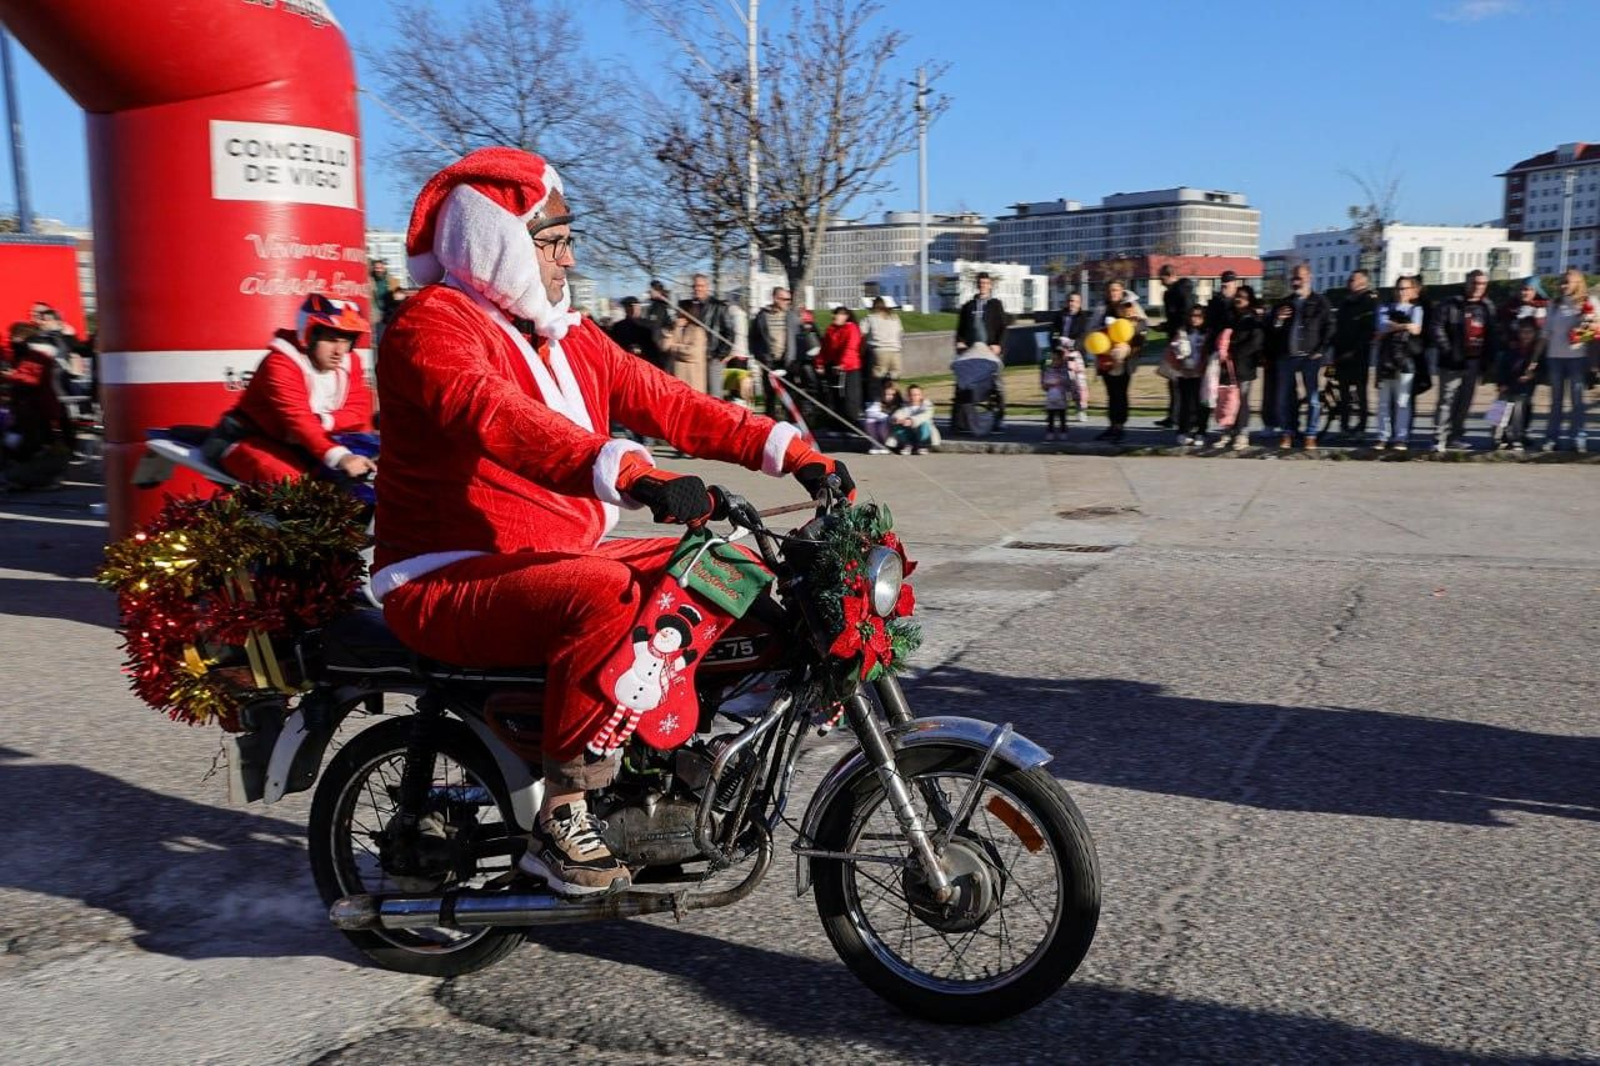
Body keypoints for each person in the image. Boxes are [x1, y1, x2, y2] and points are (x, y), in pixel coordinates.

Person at [372, 148, 851, 896]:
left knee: (720, 568)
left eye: (567, 239)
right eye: (553, 239)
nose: (568, 257)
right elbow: (497, 418)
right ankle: (562, 815)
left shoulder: (565, 334)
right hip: (444, 574)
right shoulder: (431, 327)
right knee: (605, 597)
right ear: (496, 239)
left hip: (551, 554)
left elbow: (672, 402)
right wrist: (633, 475)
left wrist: (791, 450)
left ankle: (691, 750)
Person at [205, 294, 375, 483]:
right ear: (309, 335)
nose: (339, 350)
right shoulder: (280, 364)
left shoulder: (352, 361)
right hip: (246, 438)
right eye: (331, 339)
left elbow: (358, 413)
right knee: (297, 490)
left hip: (305, 444)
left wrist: (322, 421)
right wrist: (341, 457)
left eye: (346, 340)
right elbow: (299, 421)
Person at [1268, 262, 1334, 452]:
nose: (1296, 282)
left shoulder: (1320, 302)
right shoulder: (1284, 303)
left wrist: (1321, 349)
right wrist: (1278, 319)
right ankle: (1288, 432)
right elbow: (1272, 330)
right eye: (1294, 278)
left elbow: (1330, 327)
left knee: (1313, 397)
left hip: (1310, 357)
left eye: (1300, 278)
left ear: (1309, 278)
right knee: (1284, 398)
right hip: (1287, 356)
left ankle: (1311, 434)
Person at [1431, 268, 1498, 452]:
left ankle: (1456, 435)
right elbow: (1437, 327)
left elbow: (1492, 335)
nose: (1478, 287)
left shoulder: (1488, 307)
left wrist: (1489, 361)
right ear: (1466, 283)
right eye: (1475, 283)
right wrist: (1448, 350)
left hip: (1474, 361)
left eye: (1482, 283)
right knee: (1447, 399)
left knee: (1465, 402)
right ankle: (1439, 437)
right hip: (1452, 361)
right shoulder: (1450, 304)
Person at [1540, 266, 1595, 452]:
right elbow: (1546, 332)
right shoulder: (1554, 304)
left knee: (1577, 400)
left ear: (1577, 283)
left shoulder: (1588, 302)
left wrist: (1582, 332)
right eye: (1562, 282)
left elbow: (1595, 330)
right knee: (1556, 400)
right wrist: (1535, 357)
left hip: (1577, 358)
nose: (1563, 285)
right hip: (1554, 357)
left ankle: (1578, 437)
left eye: (1567, 282)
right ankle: (1552, 437)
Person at [1372, 274, 1424, 453]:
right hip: (1386, 359)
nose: (1401, 292)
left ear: (1412, 291)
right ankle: (1382, 436)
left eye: (1405, 288)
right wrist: (1403, 326)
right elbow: (1381, 326)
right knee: (1384, 402)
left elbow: (1416, 329)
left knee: (1403, 401)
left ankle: (1401, 437)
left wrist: (1393, 326)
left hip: (1405, 360)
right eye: (1399, 288)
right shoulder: (1385, 307)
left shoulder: (1416, 309)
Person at [1330, 269, 1378, 439]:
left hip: (1358, 354)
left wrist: (1356, 350)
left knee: (1361, 391)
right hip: (1341, 353)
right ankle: (1344, 427)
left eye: (1353, 279)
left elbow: (1368, 329)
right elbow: (1337, 327)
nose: (1349, 281)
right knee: (1342, 392)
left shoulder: (1369, 301)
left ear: (1363, 281)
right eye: (1349, 278)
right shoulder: (1345, 301)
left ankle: (1361, 428)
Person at [1094, 301, 1146, 442]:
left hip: (1125, 364)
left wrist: (1127, 349)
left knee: (1121, 394)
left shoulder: (1137, 321)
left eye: (1129, 308)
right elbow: (1098, 335)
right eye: (1123, 308)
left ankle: (1120, 427)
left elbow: (1140, 339)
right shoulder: (1108, 318)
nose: (1126, 311)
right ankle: (1112, 426)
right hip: (1108, 363)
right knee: (1111, 395)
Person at [1218, 286, 1263, 450]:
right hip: (1227, 366)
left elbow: (1256, 342)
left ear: (1249, 300)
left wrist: (1235, 352)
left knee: (1243, 401)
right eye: (1237, 296)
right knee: (1227, 400)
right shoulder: (1229, 316)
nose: (1239, 299)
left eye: (1243, 297)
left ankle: (1242, 434)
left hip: (1245, 366)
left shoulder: (1253, 319)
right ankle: (1227, 431)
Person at [750, 287, 802, 419]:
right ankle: (770, 427)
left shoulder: (791, 316)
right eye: (784, 299)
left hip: (787, 363)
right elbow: (752, 338)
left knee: (789, 399)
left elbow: (800, 338)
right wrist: (758, 356)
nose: (787, 302)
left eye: (789, 300)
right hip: (769, 363)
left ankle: (791, 427)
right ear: (775, 298)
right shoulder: (762, 316)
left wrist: (796, 361)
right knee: (770, 398)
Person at [1495, 317, 1544, 451]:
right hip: (1508, 383)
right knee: (1500, 404)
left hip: (1524, 387)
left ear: (1535, 333)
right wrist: (1501, 383)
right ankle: (1498, 436)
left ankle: (1516, 438)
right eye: (1523, 332)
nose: (1526, 335)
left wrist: (1532, 375)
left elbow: (1541, 371)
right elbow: (1502, 368)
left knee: (1519, 404)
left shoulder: (1536, 351)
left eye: (1529, 332)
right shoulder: (1512, 348)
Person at [1156, 264, 1195, 429]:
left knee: (1181, 380)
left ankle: (1183, 416)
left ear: (1170, 275)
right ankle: (1174, 415)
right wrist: (1166, 326)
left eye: (1161, 278)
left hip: (1182, 341)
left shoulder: (1181, 291)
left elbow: (1185, 314)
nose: (1160, 282)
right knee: (1172, 379)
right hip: (1174, 338)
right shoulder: (1170, 293)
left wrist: (1177, 329)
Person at [682, 274, 730, 394]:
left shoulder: (718, 306)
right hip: (696, 358)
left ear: (707, 287)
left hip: (712, 357)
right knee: (700, 394)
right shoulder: (690, 306)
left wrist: (719, 356)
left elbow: (729, 332)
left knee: (715, 394)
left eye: (700, 286)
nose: (697, 288)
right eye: (694, 286)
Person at [818, 305, 864, 427]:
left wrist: (843, 364)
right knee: (835, 396)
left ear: (845, 317)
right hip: (835, 366)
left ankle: (851, 422)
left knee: (850, 397)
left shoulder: (851, 328)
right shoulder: (831, 330)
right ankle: (837, 422)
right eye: (835, 314)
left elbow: (850, 347)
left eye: (839, 314)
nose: (835, 317)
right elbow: (825, 348)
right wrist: (820, 363)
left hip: (850, 367)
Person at [658, 304, 708, 394]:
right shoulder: (674, 328)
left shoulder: (698, 331)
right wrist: (674, 328)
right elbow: (664, 346)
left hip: (691, 378)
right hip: (674, 377)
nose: (677, 314)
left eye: (679, 311)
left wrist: (674, 348)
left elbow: (693, 353)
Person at [956, 272, 1006, 358]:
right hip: (972, 350)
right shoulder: (968, 306)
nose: (983, 285)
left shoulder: (996, 305)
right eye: (980, 283)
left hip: (990, 349)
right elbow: (961, 329)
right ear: (977, 285)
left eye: (985, 283)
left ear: (990, 286)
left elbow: (1002, 327)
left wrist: (999, 345)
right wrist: (960, 342)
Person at [860, 297, 904, 394]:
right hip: (896, 352)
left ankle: (878, 400)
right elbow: (900, 333)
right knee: (894, 379)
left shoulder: (870, 318)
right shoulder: (895, 317)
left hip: (880, 351)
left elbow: (861, 334)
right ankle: (896, 400)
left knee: (878, 379)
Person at [607, 296, 663, 370]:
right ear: (625, 308)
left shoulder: (649, 325)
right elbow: (614, 346)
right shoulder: (618, 326)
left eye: (635, 306)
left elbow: (655, 348)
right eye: (629, 306)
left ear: (639, 307)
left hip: (646, 365)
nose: (632, 309)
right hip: (627, 365)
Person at [889, 383, 936, 454]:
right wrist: (896, 419)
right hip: (909, 432)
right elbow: (899, 413)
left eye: (916, 395)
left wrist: (911, 420)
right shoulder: (905, 406)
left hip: (922, 433)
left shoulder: (927, 405)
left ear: (921, 396)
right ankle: (907, 445)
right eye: (911, 395)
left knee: (925, 424)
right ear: (908, 396)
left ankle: (922, 446)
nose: (913, 397)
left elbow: (925, 415)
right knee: (897, 425)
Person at [863, 380, 900, 453]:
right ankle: (876, 443)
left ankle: (885, 445)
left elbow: (898, 416)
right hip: (883, 425)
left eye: (891, 394)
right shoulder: (878, 401)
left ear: (896, 394)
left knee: (883, 423)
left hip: (893, 432)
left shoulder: (899, 404)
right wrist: (885, 417)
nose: (887, 397)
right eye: (885, 394)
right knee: (869, 421)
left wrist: (887, 418)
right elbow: (869, 412)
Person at [1041, 349, 1069, 440]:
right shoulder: (1048, 370)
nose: (1054, 362)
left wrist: (1059, 380)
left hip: (1061, 396)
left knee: (1062, 416)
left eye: (1056, 359)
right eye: (1052, 359)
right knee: (1051, 416)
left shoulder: (1064, 370)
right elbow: (1045, 383)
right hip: (1051, 397)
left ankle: (1063, 431)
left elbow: (1066, 381)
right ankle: (1050, 431)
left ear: (1061, 360)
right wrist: (1046, 384)